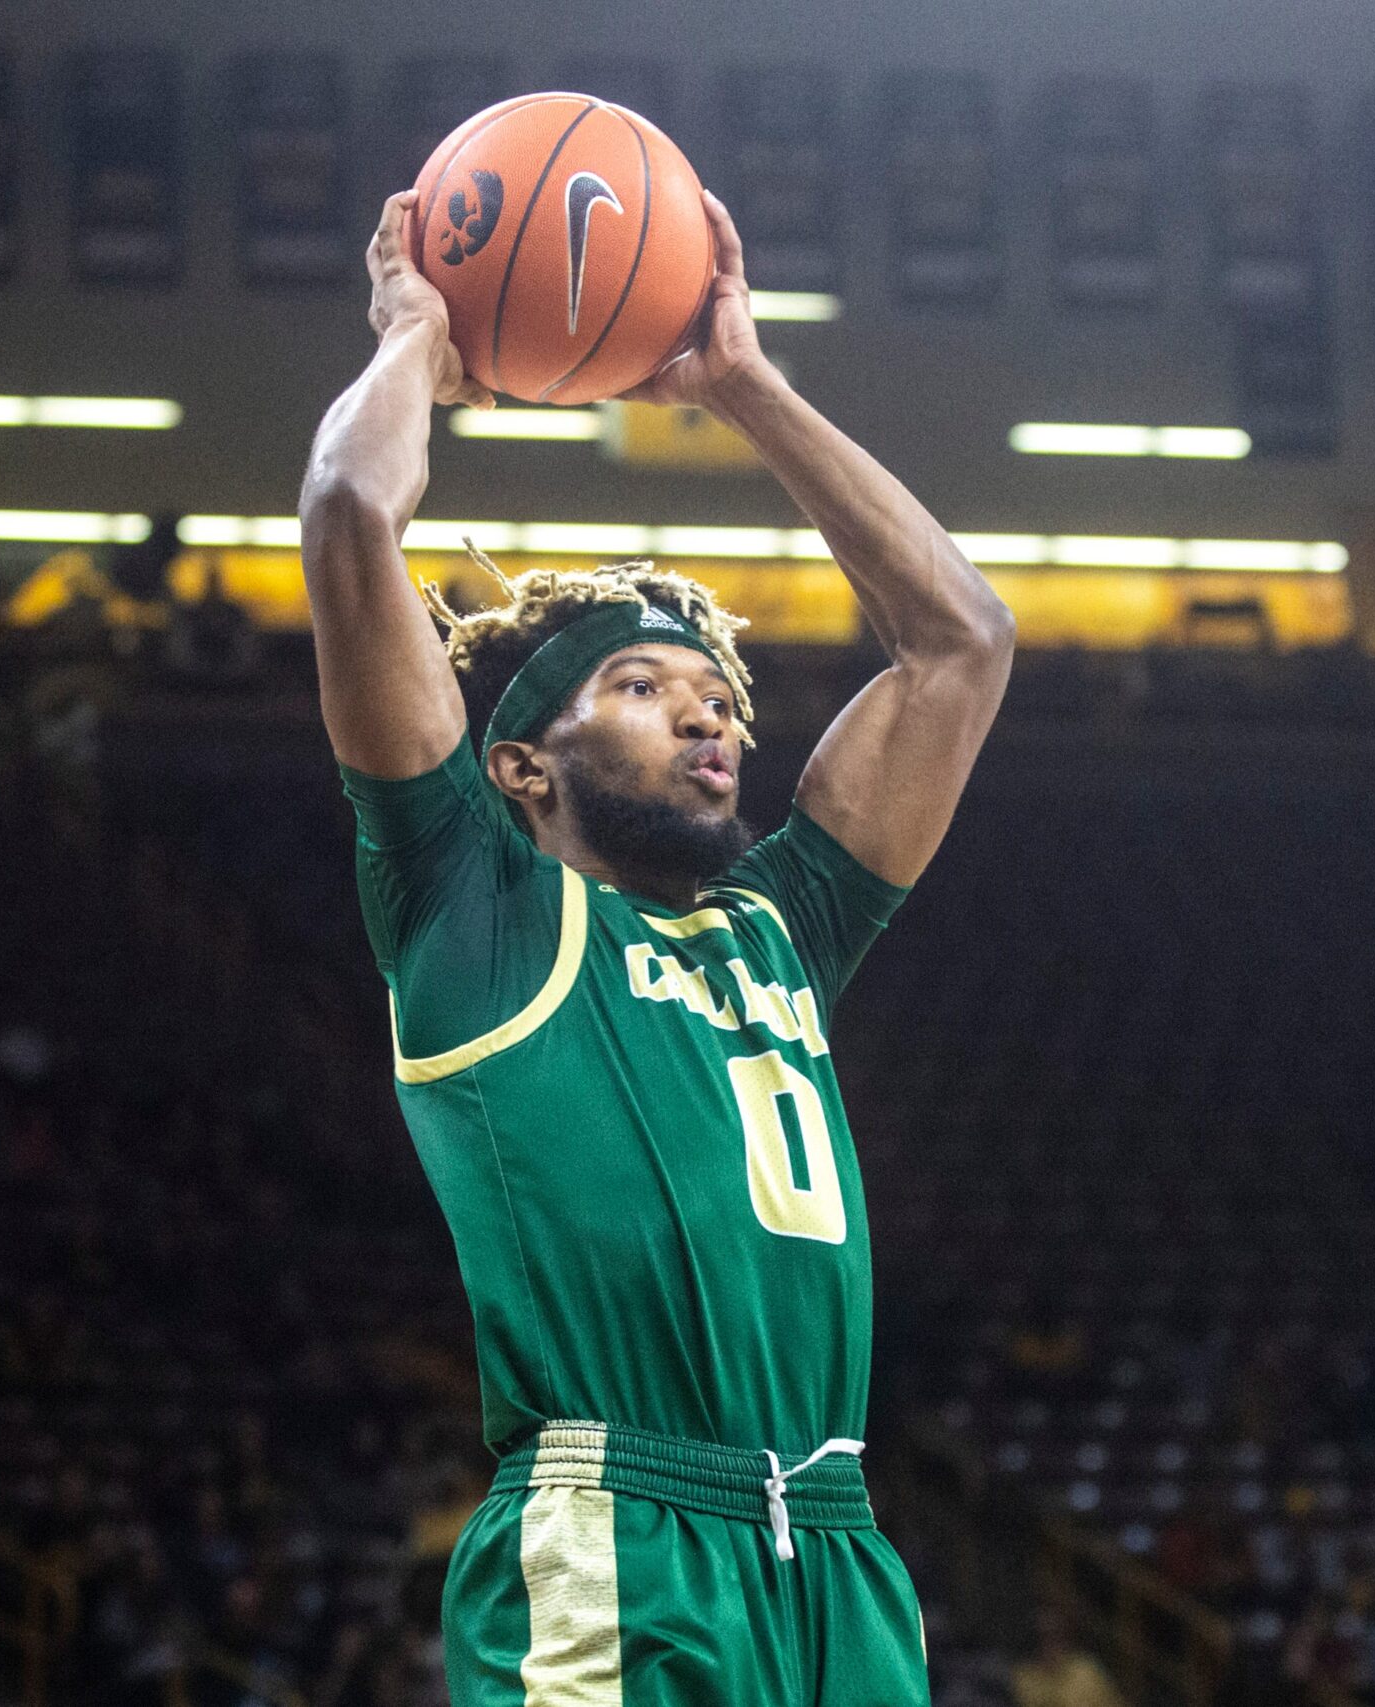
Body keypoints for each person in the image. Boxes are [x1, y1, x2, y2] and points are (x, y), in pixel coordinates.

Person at [302, 185, 1013, 1703]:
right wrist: (417, 340)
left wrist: (746, 386)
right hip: (620, 1534)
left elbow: (962, 641)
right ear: (520, 765)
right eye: (639, 684)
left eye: (716, 698)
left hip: (835, 1548)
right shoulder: (472, 907)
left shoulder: (781, 931)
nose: (705, 713)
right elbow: (352, 516)